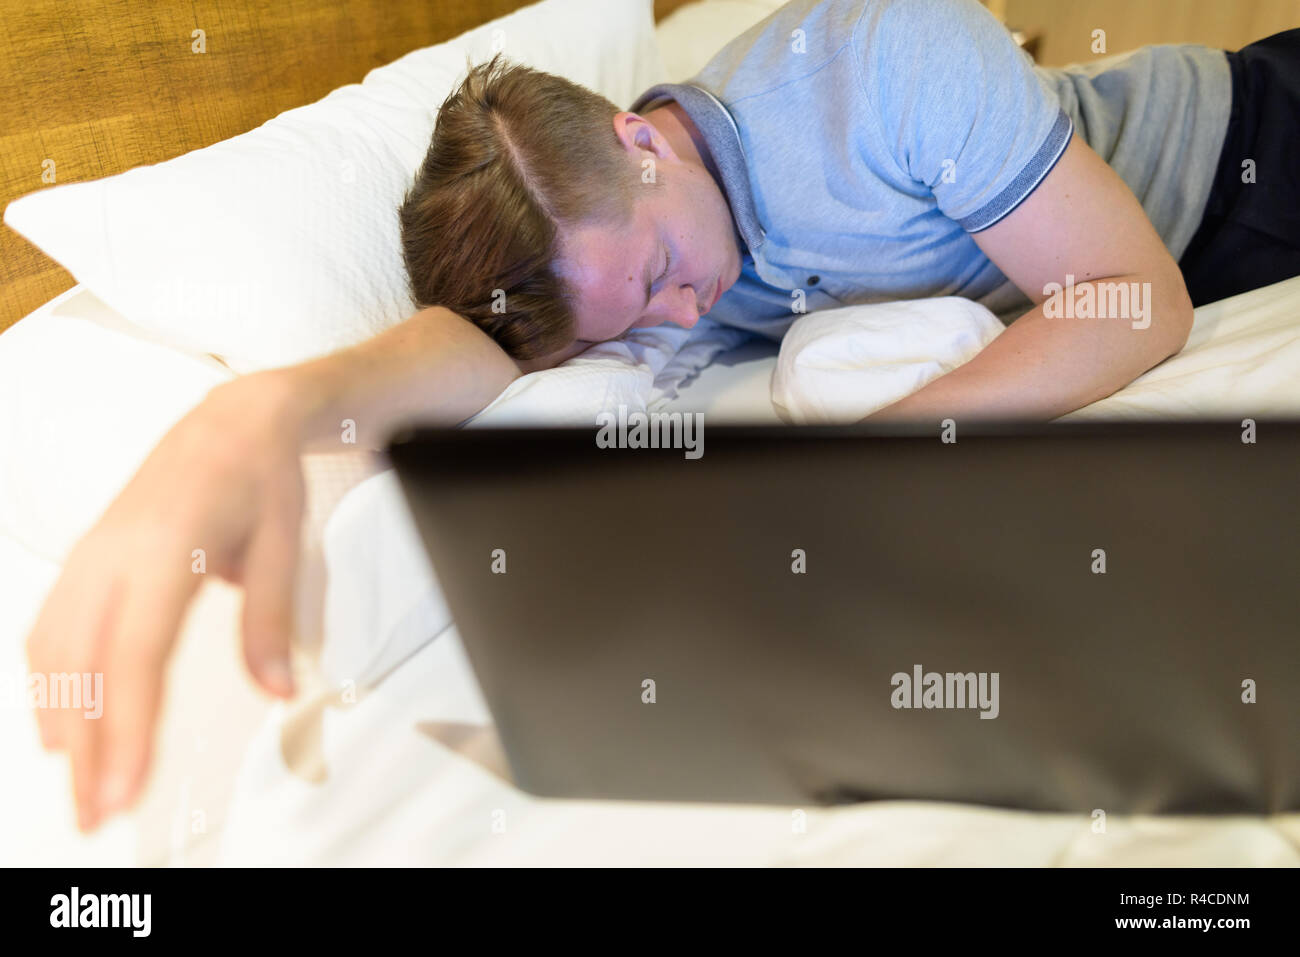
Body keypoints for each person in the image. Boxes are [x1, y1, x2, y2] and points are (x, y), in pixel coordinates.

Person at [26, 0, 1299, 833]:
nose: (686, 314)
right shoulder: (613, 249)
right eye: (638, 317)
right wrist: (260, 411)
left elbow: (1134, 302)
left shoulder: (884, 60)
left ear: (641, 139)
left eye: (654, 281)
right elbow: (465, 354)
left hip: (1241, 154)